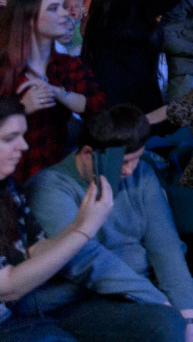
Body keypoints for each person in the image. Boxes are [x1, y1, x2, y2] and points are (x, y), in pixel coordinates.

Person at [25, 104, 193, 342]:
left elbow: (165, 247)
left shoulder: (141, 173)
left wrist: (189, 316)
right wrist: (161, 302)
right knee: (166, 324)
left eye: (135, 158)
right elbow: (88, 263)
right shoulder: (50, 187)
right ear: (87, 154)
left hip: (141, 282)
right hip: (79, 299)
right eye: (123, 161)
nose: (130, 169)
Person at [0, 96, 118, 342]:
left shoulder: (6, 186)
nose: (23, 146)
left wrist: (77, 225)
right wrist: (85, 229)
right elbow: (7, 286)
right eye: (10, 138)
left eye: (23, 135)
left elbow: (34, 248)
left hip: (12, 316)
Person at [0, 0, 105, 185]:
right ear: (29, 19)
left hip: (55, 173)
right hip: (12, 177)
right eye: (54, 8)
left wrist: (59, 93)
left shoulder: (67, 65)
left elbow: (97, 105)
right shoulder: (5, 69)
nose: (65, 13)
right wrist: (22, 110)